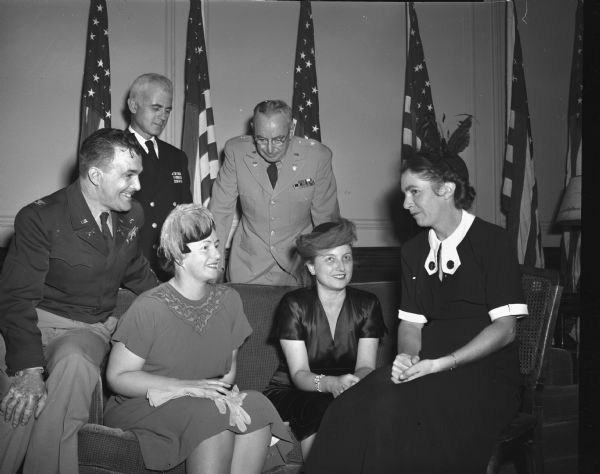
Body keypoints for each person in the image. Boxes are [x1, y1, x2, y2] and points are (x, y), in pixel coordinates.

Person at [303, 149, 527, 474]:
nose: (406, 204)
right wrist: (408, 358)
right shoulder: (414, 250)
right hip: (428, 366)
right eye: (405, 193)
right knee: (349, 404)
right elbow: (411, 324)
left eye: (414, 192)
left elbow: (506, 329)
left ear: (447, 188)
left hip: (485, 374)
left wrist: (444, 363)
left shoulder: (493, 242)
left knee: (391, 408)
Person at [0, 128, 159, 474]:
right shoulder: (40, 217)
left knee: (74, 365)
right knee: (18, 403)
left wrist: (174, 302)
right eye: (129, 175)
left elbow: (136, 270)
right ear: (96, 175)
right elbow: (16, 298)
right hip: (31, 324)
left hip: (86, 330)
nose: (138, 186)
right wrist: (28, 370)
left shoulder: (132, 215)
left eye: (138, 175)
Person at [103, 203, 292, 473]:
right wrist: (186, 387)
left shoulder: (229, 301)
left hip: (202, 402)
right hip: (145, 405)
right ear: (179, 254)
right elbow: (118, 377)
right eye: (205, 247)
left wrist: (214, 394)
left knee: (257, 406)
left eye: (217, 244)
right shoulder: (149, 307)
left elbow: (226, 376)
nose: (217, 254)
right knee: (213, 412)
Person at [263, 218, 386, 458]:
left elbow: (366, 367)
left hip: (347, 389)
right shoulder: (293, 305)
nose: (341, 266)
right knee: (322, 405)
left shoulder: (368, 304)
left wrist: (351, 383)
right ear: (311, 267)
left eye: (346, 257)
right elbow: (299, 375)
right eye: (330, 259)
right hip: (293, 391)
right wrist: (331, 384)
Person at [209, 99, 340, 285]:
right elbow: (219, 212)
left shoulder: (317, 157)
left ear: (292, 130)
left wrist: (329, 275)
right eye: (261, 139)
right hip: (248, 267)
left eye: (279, 139)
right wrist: (214, 265)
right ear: (253, 128)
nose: (269, 149)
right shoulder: (236, 152)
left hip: (297, 268)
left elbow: (326, 222)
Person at [127, 73, 193, 281]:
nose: (163, 116)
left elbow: (185, 213)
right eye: (156, 108)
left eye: (167, 110)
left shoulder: (176, 157)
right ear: (133, 105)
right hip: (129, 266)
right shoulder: (114, 149)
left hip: (170, 266)